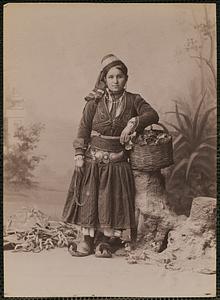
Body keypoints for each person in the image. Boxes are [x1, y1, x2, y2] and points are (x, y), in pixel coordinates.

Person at [62, 54, 159, 258]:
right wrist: (79, 153)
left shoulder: (134, 100)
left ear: (126, 78)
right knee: (90, 201)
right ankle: (87, 240)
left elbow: (152, 115)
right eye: (111, 77)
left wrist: (133, 122)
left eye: (120, 76)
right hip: (93, 161)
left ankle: (106, 241)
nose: (115, 81)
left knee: (110, 203)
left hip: (117, 162)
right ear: (104, 79)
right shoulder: (93, 102)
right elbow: (83, 130)